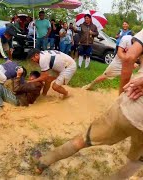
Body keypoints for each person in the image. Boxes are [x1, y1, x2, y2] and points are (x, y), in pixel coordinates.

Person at [33, 32, 143, 178]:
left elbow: (129, 57)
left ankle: (43, 162)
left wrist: (122, 94)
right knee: (137, 161)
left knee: (83, 140)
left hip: (131, 104)